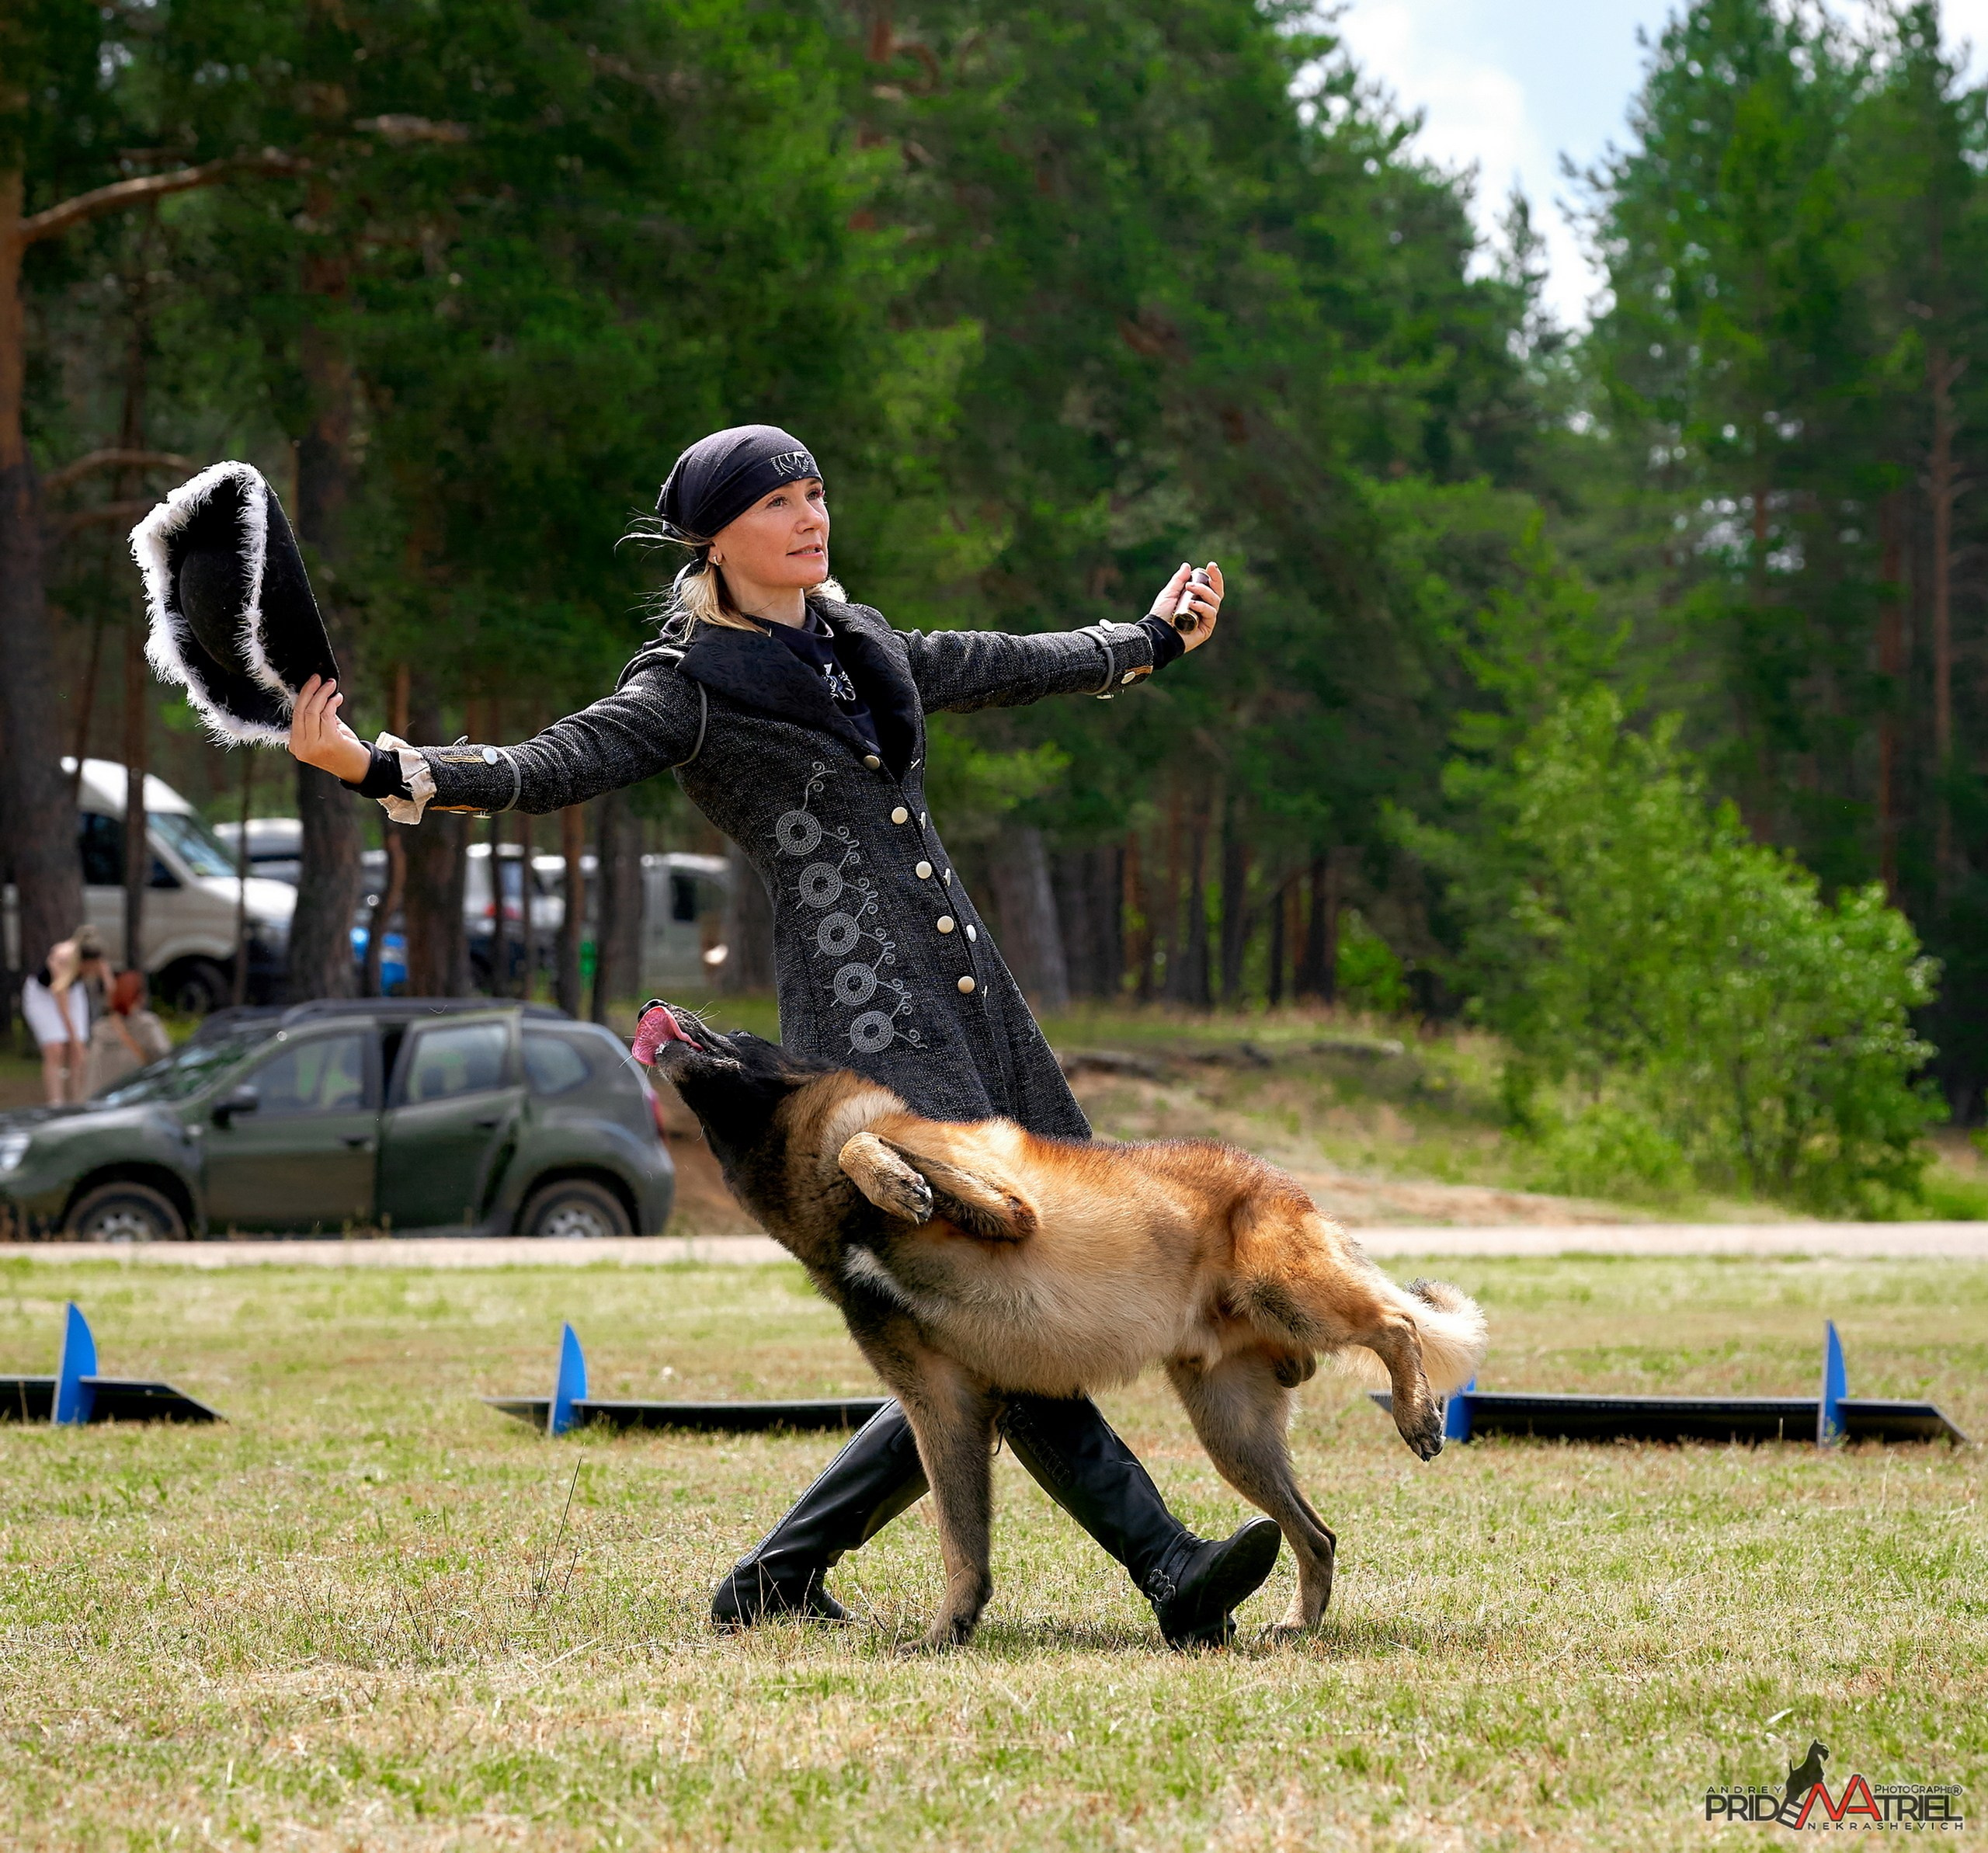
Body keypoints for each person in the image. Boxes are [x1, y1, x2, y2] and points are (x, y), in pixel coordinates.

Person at [287, 422, 1279, 1647]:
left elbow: (1004, 659)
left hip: (976, 1003)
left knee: (964, 1326)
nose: (812, 517)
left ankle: (773, 1577)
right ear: (717, 537)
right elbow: (553, 762)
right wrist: (383, 763)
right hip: (867, 1022)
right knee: (1001, 1301)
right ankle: (1169, 1564)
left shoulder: (862, 644)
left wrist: (1145, 640)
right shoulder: (685, 686)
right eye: (780, 503)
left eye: (816, 493)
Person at [21, 930, 106, 1104]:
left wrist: (78, 1045)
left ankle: (78, 1101)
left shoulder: (96, 957)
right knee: (56, 1048)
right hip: (43, 995)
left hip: (73, 993)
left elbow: (109, 986)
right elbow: (64, 1011)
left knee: (77, 1051)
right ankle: (56, 1103)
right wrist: (75, 1041)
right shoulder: (63, 959)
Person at [85, 969, 172, 1096]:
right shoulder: (147, 1026)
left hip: (98, 1104)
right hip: (133, 1102)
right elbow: (164, 1058)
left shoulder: (100, 1030)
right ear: (141, 996)